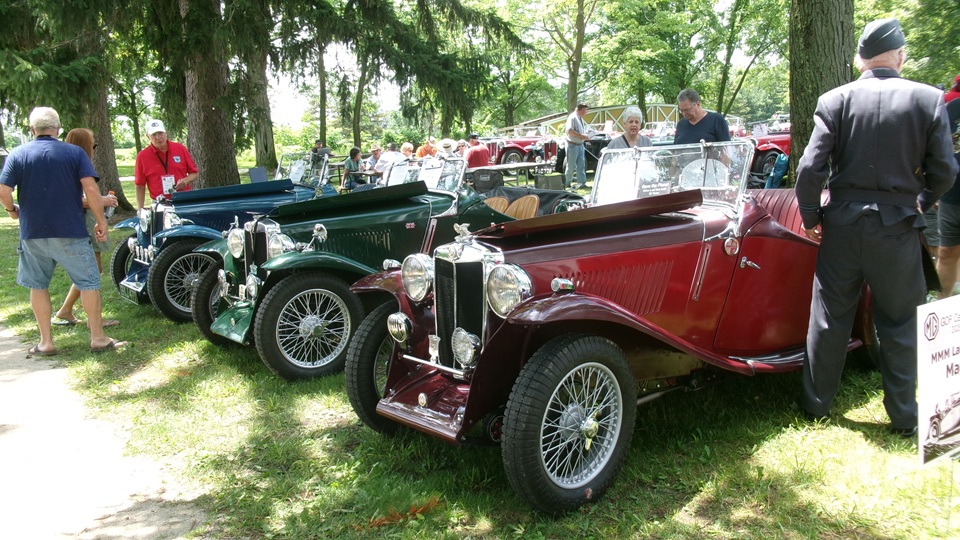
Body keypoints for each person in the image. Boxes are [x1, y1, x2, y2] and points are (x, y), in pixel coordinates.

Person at [794, 18, 958, 437]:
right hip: (897, 227)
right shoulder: (928, 99)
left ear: (860, 59)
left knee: (829, 317)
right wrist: (920, 202)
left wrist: (811, 217)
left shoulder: (834, 99)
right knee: (900, 322)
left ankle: (815, 405)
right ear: (900, 55)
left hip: (842, 226)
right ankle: (904, 416)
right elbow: (945, 171)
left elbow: (810, 169)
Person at [0, 107, 127, 354]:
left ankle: (46, 342)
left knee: (38, 285)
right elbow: (91, 189)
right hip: (71, 230)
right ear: (58, 129)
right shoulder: (75, 153)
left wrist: (11, 209)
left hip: (33, 232)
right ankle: (98, 338)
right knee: (88, 282)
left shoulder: (18, 154)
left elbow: (4, 191)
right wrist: (101, 221)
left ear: (32, 129)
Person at [54, 128, 120, 328]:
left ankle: (66, 310)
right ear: (84, 145)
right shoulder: (75, 165)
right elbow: (71, 200)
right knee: (91, 271)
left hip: (86, 220)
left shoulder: (69, 163)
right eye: (93, 144)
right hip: (85, 222)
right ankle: (94, 320)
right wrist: (102, 200)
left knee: (92, 269)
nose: (94, 148)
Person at [134, 119, 198, 209]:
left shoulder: (180, 148)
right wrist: (140, 209)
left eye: (160, 133)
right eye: (154, 134)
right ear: (148, 136)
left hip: (184, 201)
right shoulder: (142, 156)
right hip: (160, 204)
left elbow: (195, 173)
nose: (158, 137)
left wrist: (185, 181)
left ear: (165, 133)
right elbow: (140, 185)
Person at [935, 98, 960, 296]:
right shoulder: (953, 108)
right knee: (946, 252)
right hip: (952, 194)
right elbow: (938, 150)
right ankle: (941, 307)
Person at [564, 103, 592, 190]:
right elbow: (569, 131)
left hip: (580, 145)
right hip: (572, 145)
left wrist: (587, 134)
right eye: (585, 110)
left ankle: (582, 183)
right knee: (571, 166)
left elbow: (580, 131)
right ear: (579, 109)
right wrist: (581, 136)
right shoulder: (572, 117)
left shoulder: (580, 118)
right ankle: (567, 183)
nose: (586, 112)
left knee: (581, 165)